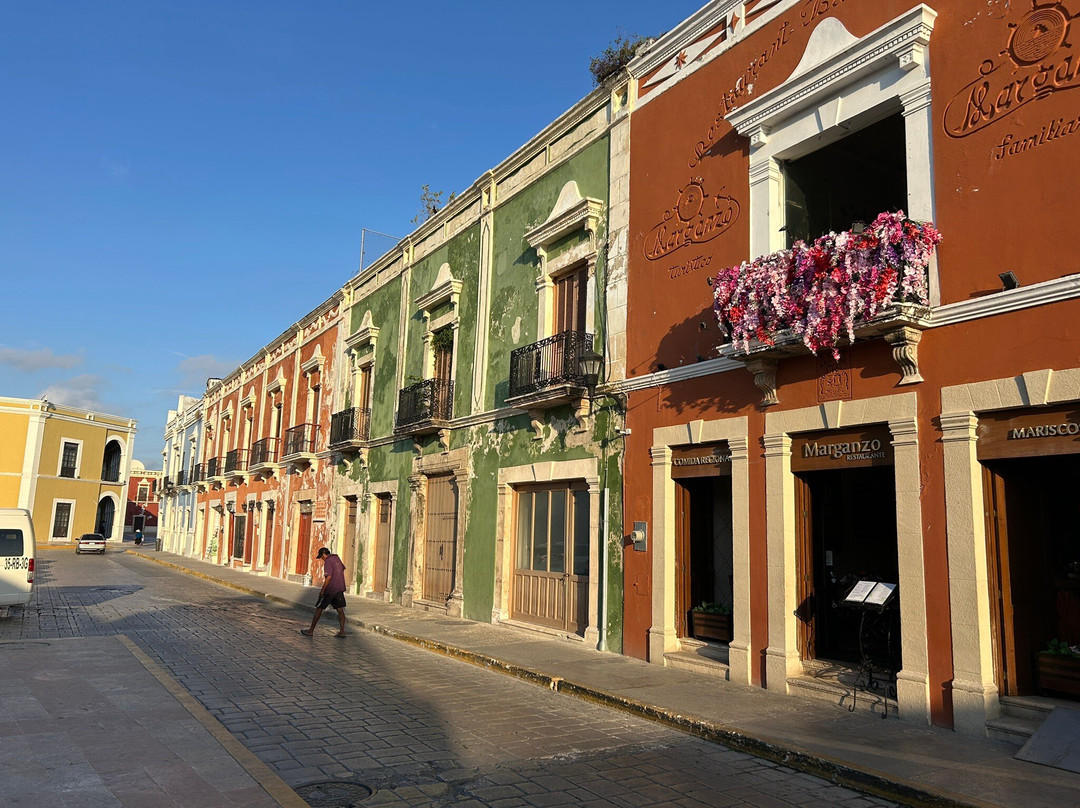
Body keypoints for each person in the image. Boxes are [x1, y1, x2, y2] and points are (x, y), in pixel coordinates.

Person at [300, 547, 347, 638]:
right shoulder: (337, 558)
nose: (322, 559)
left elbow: (328, 577)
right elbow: (342, 569)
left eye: (321, 557)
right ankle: (342, 631)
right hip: (339, 588)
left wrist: (323, 590)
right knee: (340, 610)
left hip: (330, 589)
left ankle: (311, 631)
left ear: (324, 554)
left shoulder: (328, 561)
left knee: (319, 608)